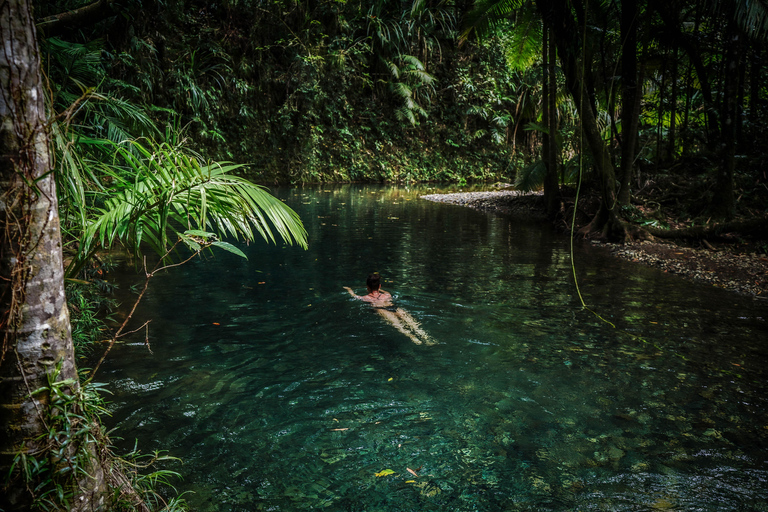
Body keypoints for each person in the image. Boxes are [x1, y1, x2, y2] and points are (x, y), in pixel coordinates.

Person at [344, 273, 434, 345]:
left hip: (382, 310)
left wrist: (349, 290)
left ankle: (412, 337)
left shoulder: (365, 298)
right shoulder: (387, 294)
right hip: (394, 308)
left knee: (399, 326)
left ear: (367, 287)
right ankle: (427, 338)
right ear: (379, 286)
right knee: (413, 324)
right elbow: (383, 291)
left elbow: (354, 296)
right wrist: (380, 290)